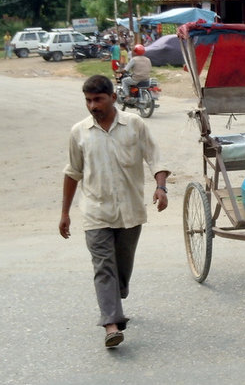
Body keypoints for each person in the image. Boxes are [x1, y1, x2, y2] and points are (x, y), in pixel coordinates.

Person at [59, 75, 170, 348]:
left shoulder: (134, 124)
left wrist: (161, 187)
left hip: (130, 212)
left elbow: (156, 158)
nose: (92, 105)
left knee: (122, 266)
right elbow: (72, 172)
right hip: (95, 212)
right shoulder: (79, 132)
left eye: (98, 99)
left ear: (113, 97)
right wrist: (65, 213)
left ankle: (116, 295)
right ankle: (111, 324)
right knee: (103, 268)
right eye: (88, 100)